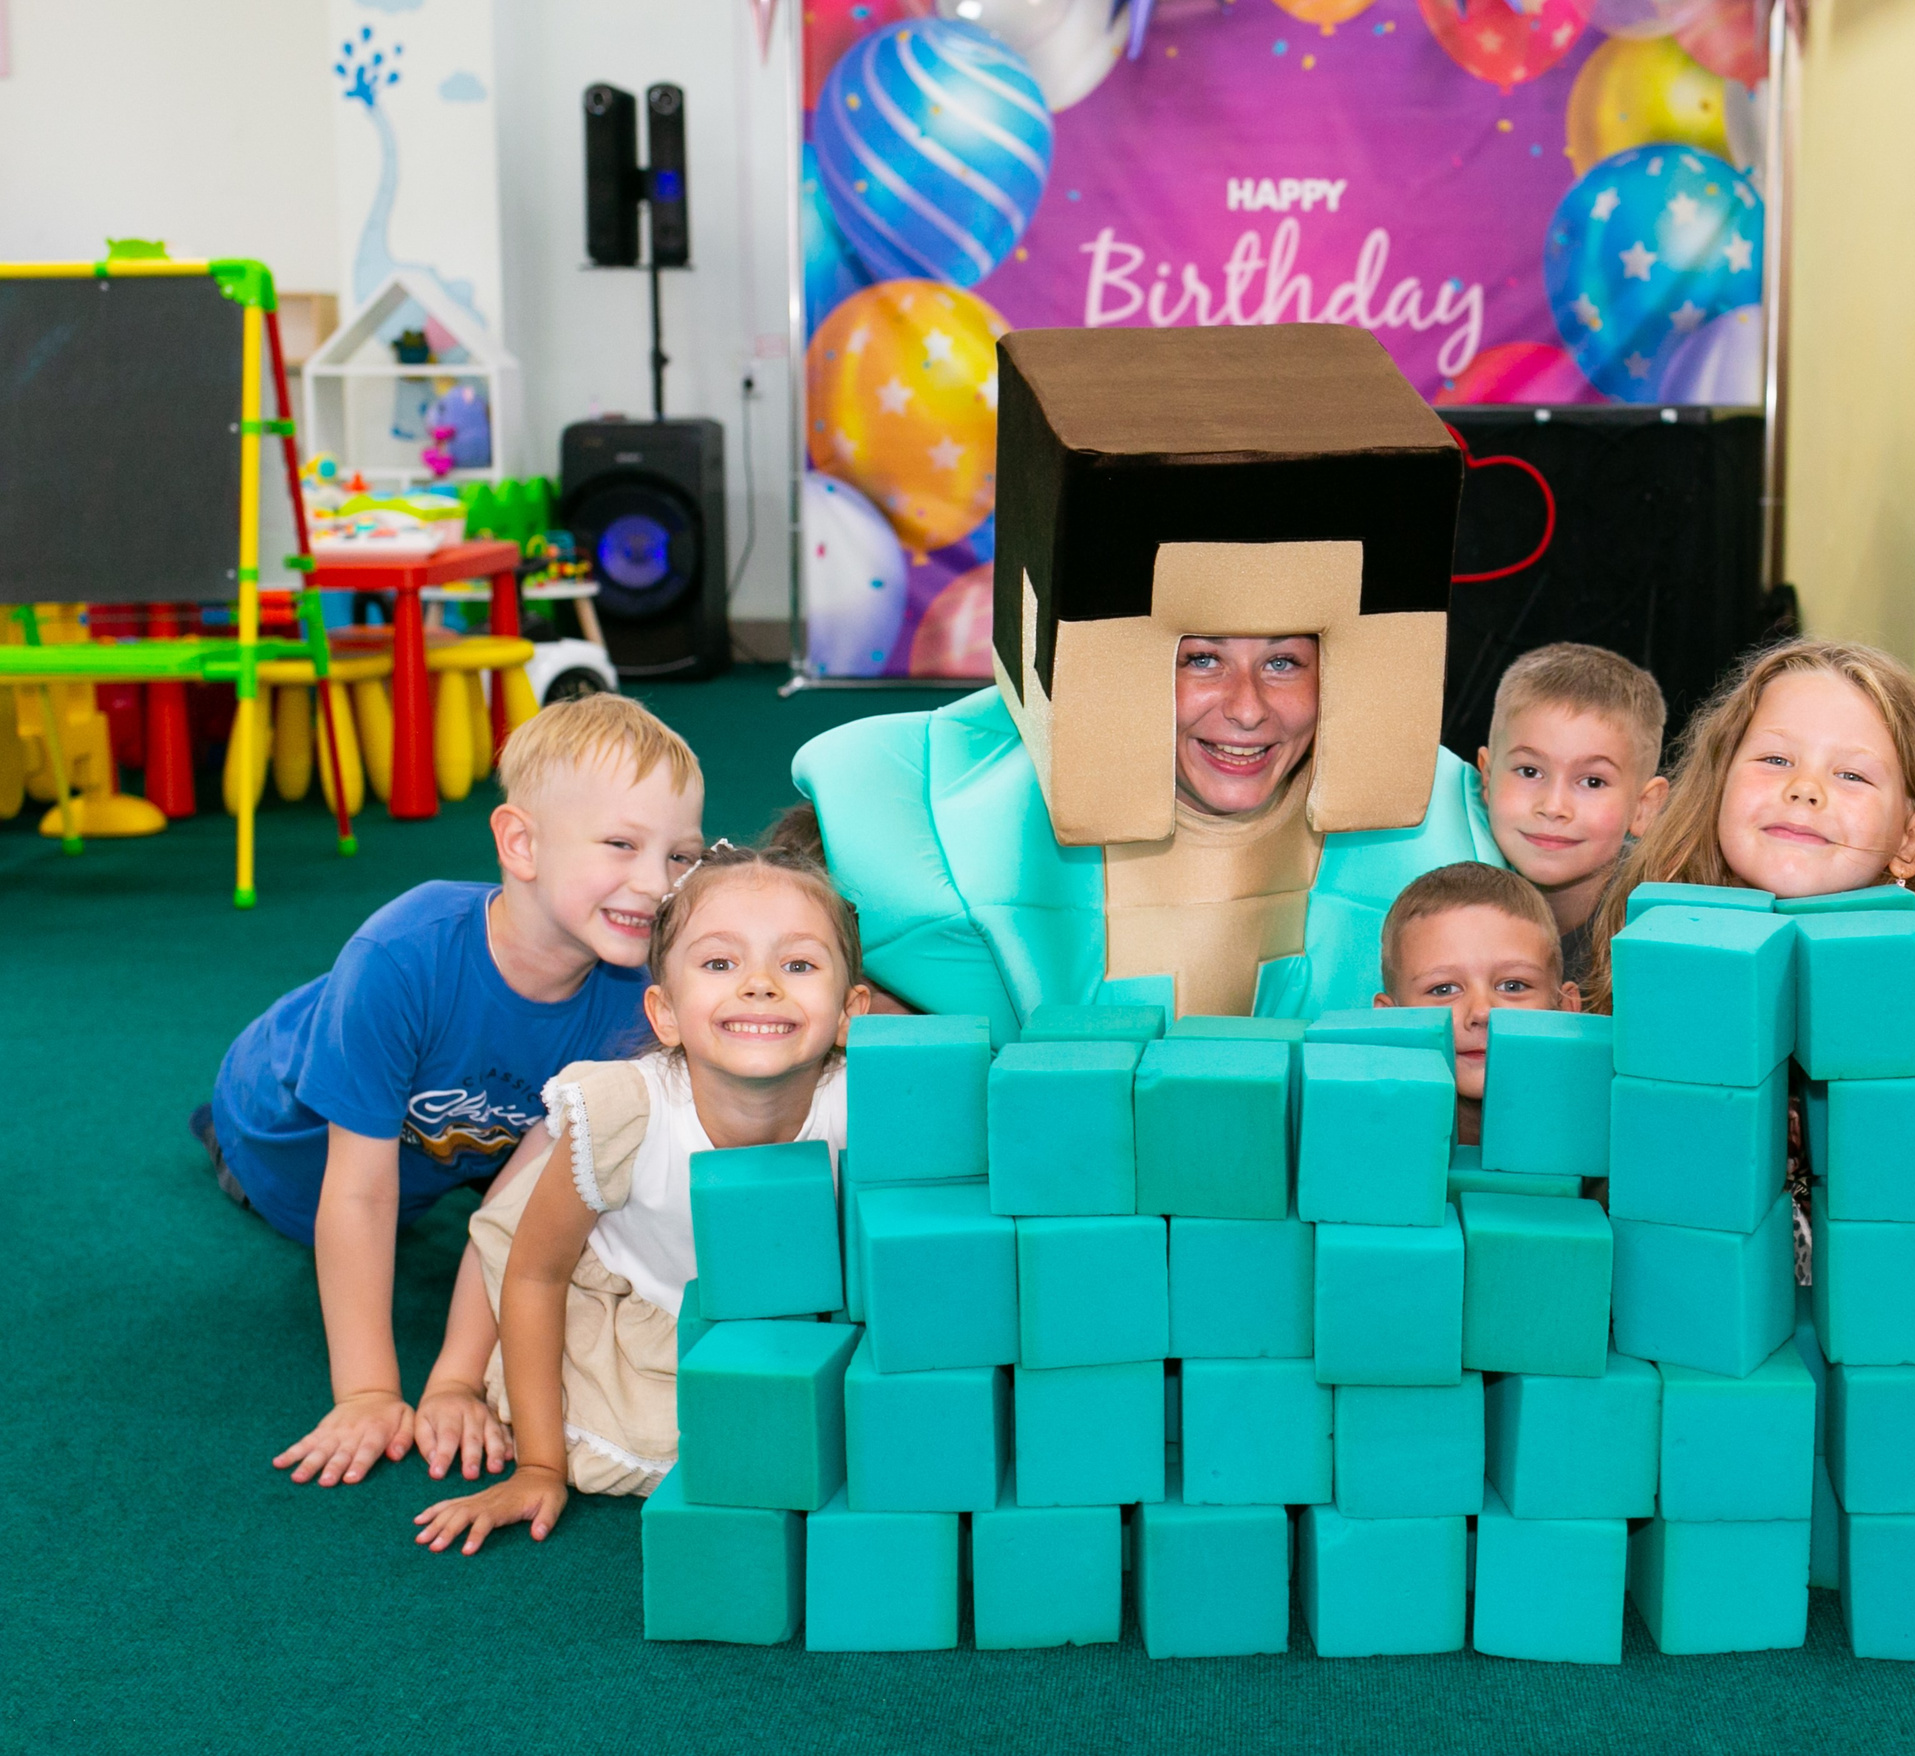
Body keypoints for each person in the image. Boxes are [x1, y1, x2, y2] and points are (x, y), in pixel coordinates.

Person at [792, 324, 1500, 1035]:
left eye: (1283, 663)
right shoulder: (944, 839)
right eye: (1201, 659)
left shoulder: (1444, 835)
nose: (1247, 709)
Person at [197, 694, 704, 1490]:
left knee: (561, 1170)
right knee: (305, 1174)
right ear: (521, 843)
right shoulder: (403, 952)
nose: (656, 882)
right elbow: (358, 1198)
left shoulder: (633, 996)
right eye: (620, 844)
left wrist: (455, 1382)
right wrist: (368, 1393)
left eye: (680, 857)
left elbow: (509, 1212)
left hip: (461, 1135)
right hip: (276, 1135)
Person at [412, 840, 867, 1553]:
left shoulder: (866, 1105)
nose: (760, 984)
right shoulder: (628, 1114)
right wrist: (538, 1465)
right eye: (720, 963)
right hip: (633, 1309)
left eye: (799, 964)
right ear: (663, 1013)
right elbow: (535, 1273)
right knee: (688, 1439)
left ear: (849, 1014)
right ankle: (459, 1372)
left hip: (782, 1328)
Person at [1580, 638, 1915, 1015]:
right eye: (1776, 760)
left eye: (1852, 775)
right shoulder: (1641, 944)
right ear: (1718, 789)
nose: (1804, 789)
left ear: (1911, 840)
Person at [1474, 643, 1669, 991]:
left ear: (1644, 807)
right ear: (1487, 777)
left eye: (1592, 781)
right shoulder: (1459, 894)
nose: (1553, 806)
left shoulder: (1657, 931)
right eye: (1529, 771)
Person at [1375, 862, 1580, 1147]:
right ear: (1389, 1022)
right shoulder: (1369, 1137)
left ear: (1566, 1010)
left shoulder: (1602, 1143)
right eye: (1443, 989)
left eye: (1513, 986)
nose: (1482, 1011)